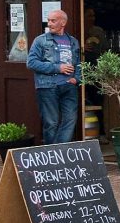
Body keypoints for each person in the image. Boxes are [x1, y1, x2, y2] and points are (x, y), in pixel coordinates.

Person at [26, 9, 81, 144]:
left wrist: (77, 79)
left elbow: (79, 63)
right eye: (48, 20)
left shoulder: (73, 41)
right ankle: (52, 157)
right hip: (47, 86)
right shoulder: (40, 41)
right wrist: (58, 68)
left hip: (69, 86)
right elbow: (31, 63)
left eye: (53, 20)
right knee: (51, 122)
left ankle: (60, 152)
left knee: (70, 120)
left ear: (63, 22)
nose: (49, 24)